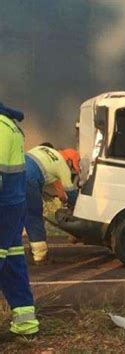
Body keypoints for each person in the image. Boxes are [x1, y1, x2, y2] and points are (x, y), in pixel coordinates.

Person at [0, 102, 40, 335]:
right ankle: (26, 323)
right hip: (13, 206)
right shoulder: (9, 125)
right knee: (12, 264)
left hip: (3, 206)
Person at [25, 145, 80, 264]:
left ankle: (27, 248)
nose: (70, 169)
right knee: (34, 215)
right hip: (29, 179)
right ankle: (40, 256)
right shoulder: (62, 165)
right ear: (69, 161)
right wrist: (75, 207)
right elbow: (70, 191)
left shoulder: (45, 149)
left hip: (13, 171)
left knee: (11, 212)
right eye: (72, 166)